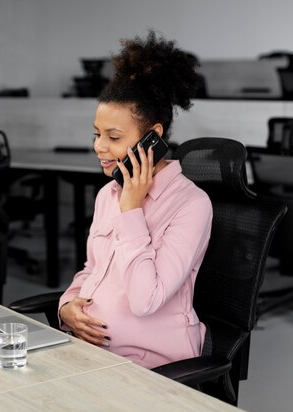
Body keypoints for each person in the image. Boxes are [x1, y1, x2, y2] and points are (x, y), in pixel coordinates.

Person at [58, 31, 213, 369]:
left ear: (152, 137)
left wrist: (132, 208)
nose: (99, 147)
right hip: (90, 352)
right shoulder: (107, 194)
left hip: (150, 363)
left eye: (113, 137)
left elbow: (146, 300)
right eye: (97, 135)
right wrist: (67, 306)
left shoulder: (191, 204)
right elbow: (93, 269)